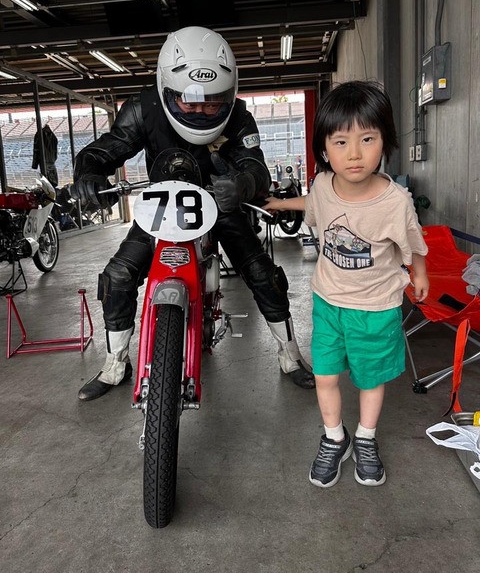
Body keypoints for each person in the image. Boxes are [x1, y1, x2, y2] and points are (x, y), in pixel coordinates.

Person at [70, 26, 314, 401]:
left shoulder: (239, 116)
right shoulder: (142, 109)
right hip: (161, 206)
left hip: (221, 204)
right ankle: (115, 363)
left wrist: (242, 184)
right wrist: (88, 174)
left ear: (228, 94)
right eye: (189, 100)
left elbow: (256, 165)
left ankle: (290, 355)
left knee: (263, 274)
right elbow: (105, 150)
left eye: (212, 102)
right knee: (117, 276)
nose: (200, 108)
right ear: (166, 88)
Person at [263, 81, 429, 487]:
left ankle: (366, 438)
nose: (354, 154)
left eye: (367, 139)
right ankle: (335, 437)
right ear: (324, 149)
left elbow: (414, 243)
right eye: (340, 142)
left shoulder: (395, 202)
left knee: (370, 380)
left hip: (376, 309)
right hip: (328, 303)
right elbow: (314, 204)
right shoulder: (323, 185)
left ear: (385, 140)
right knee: (325, 376)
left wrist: (420, 273)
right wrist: (281, 203)